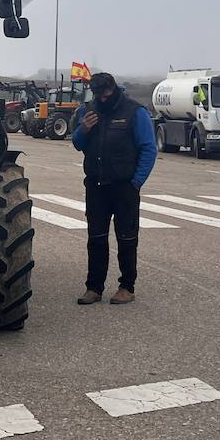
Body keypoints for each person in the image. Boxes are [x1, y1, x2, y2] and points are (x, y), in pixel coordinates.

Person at [70, 71, 155, 305]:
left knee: (127, 239)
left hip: (124, 187)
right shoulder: (87, 110)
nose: (102, 98)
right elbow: (77, 144)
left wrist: (136, 182)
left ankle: (127, 287)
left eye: (105, 93)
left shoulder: (134, 112)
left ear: (114, 89)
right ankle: (93, 288)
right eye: (97, 94)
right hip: (96, 187)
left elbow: (148, 149)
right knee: (96, 238)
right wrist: (83, 130)